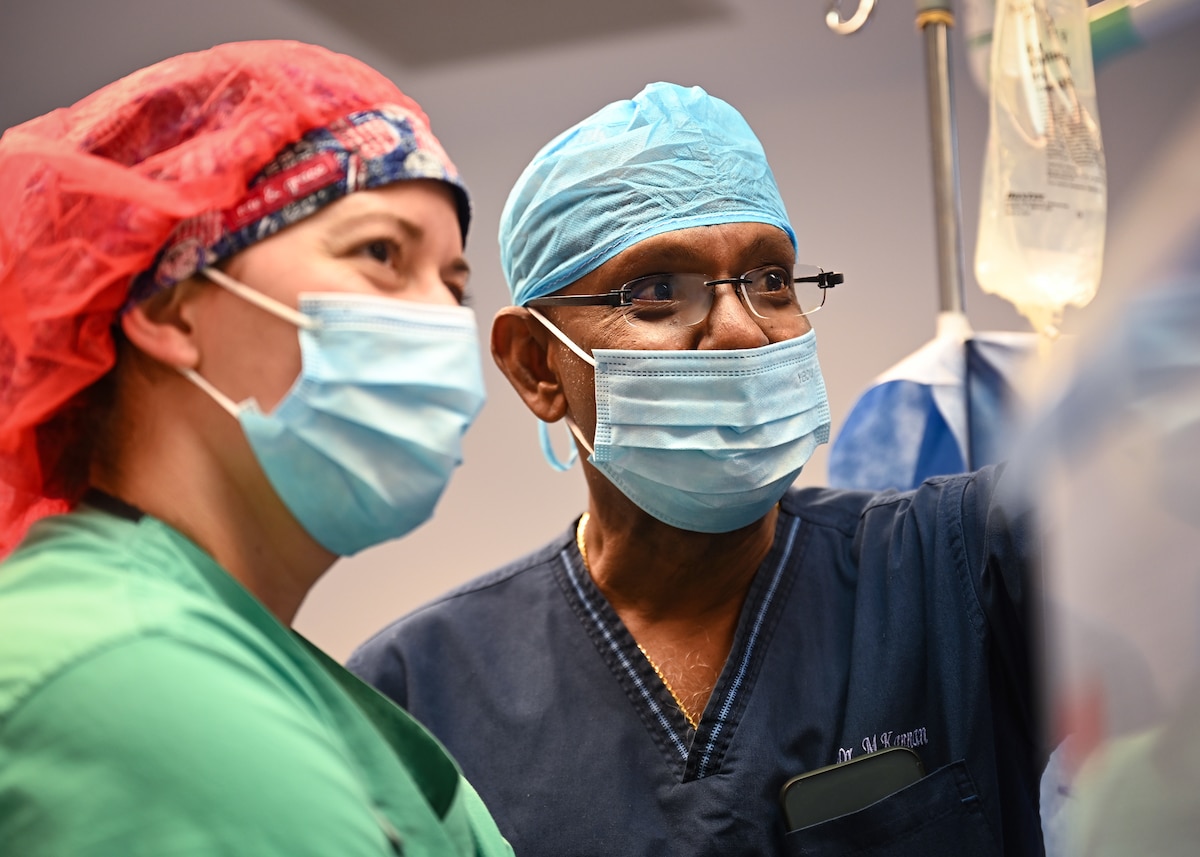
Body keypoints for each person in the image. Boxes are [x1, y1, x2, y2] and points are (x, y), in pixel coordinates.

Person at [348, 82, 1044, 857]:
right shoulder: (417, 694)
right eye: (656, 292)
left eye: (772, 280)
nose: (744, 331)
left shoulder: (954, 569)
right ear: (538, 366)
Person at [0, 40, 512, 856]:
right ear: (171, 310)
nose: (444, 322)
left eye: (455, 285)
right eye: (381, 253)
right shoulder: (127, 672)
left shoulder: (241, 653)